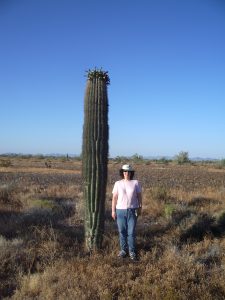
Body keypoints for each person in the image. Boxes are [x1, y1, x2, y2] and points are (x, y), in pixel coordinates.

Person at [112, 164, 142, 261]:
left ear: (131, 173)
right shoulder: (117, 183)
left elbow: (139, 196)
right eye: (125, 171)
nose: (127, 173)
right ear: (122, 172)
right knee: (122, 232)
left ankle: (132, 251)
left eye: (128, 171)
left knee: (131, 232)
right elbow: (114, 198)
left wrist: (140, 207)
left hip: (132, 210)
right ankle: (123, 250)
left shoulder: (135, 183)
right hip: (120, 210)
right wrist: (113, 211)